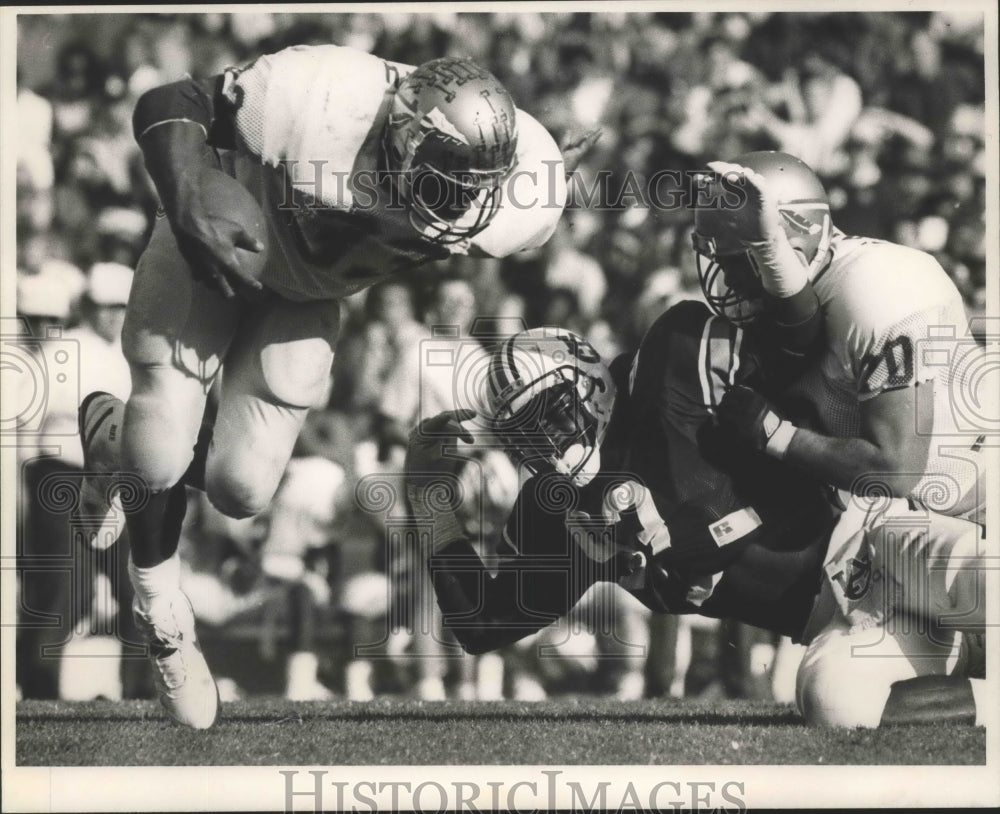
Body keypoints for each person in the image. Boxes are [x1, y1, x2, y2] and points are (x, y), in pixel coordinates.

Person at [78, 43, 571, 729]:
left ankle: (110, 435)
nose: (455, 200)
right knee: (160, 453)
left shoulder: (520, 197)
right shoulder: (322, 95)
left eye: (471, 184)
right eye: (442, 177)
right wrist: (189, 199)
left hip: (308, 295)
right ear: (402, 132)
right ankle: (162, 615)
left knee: (241, 489)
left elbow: (497, 199)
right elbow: (169, 101)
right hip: (224, 244)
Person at [404, 308, 987, 727]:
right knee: (837, 704)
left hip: (875, 533)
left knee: (984, 578)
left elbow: (816, 373)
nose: (546, 448)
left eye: (549, 417)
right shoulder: (559, 514)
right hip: (838, 624)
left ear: (589, 382)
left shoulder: (673, 372)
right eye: (524, 439)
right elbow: (483, 624)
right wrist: (427, 495)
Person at [694, 150, 990, 524]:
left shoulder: (876, 288)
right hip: (914, 512)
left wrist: (776, 435)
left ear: (789, 245)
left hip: (972, 504)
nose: (728, 280)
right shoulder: (811, 292)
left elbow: (894, 470)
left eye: (733, 262)